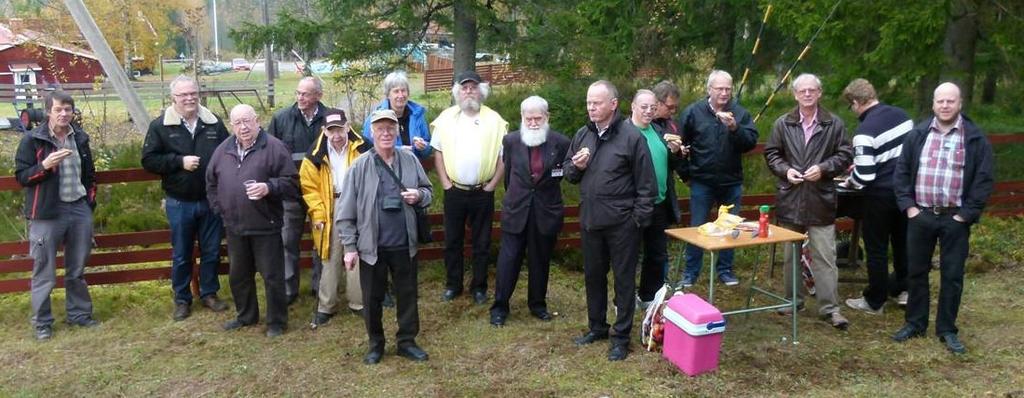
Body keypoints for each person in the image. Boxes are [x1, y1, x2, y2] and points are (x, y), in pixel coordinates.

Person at [891, 82, 993, 355]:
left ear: (960, 104)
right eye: (940, 101)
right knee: (915, 273)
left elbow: (983, 179)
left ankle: (947, 329)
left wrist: (966, 215)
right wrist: (909, 208)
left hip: (954, 219)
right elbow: (901, 173)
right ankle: (915, 323)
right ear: (933, 104)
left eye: (950, 101)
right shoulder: (918, 134)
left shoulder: (974, 137)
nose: (945, 106)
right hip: (921, 215)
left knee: (952, 275)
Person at [565, 80, 656, 361]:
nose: (591, 107)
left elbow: (647, 186)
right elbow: (568, 172)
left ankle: (620, 337)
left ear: (613, 104)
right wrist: (575, 167)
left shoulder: (631, 137)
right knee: (593, 276)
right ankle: (597, 327)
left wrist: (636, 221)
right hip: (591, 221)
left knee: (624, 281)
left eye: (597, 102)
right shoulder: (583, 134)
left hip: (622, 225)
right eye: (589, 102)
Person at [338, 109, 434, 365]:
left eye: (390, 128)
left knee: (407, 295)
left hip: (405, 244)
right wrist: (349, 246)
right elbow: (345, 210)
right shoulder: (359, 166)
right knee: (372, 299)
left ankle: (407, 342)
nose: (386, 133)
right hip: (372, 247)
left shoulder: (410, 160)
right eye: (380, 128)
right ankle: (375, 344)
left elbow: (428, 191)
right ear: (372, 132)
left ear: (398, 131)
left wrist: (419, 196)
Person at [764, 73, 853, 330]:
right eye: (802, 91)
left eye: (812, 90)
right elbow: (772, 153)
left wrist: (824, 168)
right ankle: (793, 301)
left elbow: (845, 154)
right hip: (791, 198)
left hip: (821, 199)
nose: (807, 94)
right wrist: (785, 170)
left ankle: (830, 308)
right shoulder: (783, 123)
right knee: (791, 256)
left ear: (819, 93)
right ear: (795, 94)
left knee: (825, 256)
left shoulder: (834, 124)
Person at [141, 75, 231, 321]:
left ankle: (209, 293)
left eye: (193, 93)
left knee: (212, 250)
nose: (190, 98)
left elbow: (228, 153)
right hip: (179, 201)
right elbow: (148, 160)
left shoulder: (213, 123)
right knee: (181, 253)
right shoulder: (160, 126)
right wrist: (179, 162)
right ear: (174, 98)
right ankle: (182, 299)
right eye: (183, 95)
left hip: (210, 200)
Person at [207, 104, 299, 338]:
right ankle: (246, 316)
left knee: (272, 276)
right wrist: (221, 210)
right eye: (237, 122)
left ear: (257, 120)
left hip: (265, 224)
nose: (243, 127)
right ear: (231, 125)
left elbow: (292, 183)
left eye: (247, 121)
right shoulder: (223, 150)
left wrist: (268, 187)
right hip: (235, 226)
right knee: (239, 275)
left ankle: (276, 322)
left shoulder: (274, 148)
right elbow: (211, 183)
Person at [15, 91, 99, 340]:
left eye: (68, 109)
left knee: (77, 268)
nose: (64, 114)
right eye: (59, 109)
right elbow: (22, 177)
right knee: (44, 270)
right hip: (47, 213)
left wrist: (89, 202)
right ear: (48, 112)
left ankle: (79, 315)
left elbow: (90, 174)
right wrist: (45, 166)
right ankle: (42, 323)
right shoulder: (33, 140)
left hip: (78, 208)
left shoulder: (80, 138)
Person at [488, 96, 570, 327]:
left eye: (538, 118)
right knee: (508, 260)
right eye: (528, 118)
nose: (533, 122)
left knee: (540, 260)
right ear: (522, 118)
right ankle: (499, 307)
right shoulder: (511, 141)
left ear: (546, 117)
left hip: (545, 211)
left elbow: (566, 174)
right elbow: (510, 176)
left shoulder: (561, 143)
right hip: (516, 210)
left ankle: (537, 305)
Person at [430, 70, 508, 304]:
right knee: (453, 240)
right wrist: (445, 183)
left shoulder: (494, 120)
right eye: (464, 87)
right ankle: (453, 285)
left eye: (473, 87)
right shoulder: (446, 118)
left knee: (482, 243)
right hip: (454, 191)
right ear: (457, 91)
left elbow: (503, 158)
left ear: (481, 90)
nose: (469, 91)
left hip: (482, 192)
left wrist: (492, 185)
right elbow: (438, 153)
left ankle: (479, 287)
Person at [838, 78, 914, 315]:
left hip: (879, 196)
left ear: (857, 102)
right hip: (906, 192)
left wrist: (850, 180)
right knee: (903, 243)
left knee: (877, 248)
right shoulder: (903, 117)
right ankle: (904, 289)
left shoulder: (864, 132)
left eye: (851, 106)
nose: (853, 111)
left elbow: (865, 177)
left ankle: (875, 300)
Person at [678, 70, 759, 287]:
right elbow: (679, 146)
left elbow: (750, 142)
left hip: (731, 181)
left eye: (728, 89)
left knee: (729, 227)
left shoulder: (740, 113)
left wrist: (734, 128)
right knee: (697, 227)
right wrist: (686, 174)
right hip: (701, 181)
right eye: (720, 89)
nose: (724, 93)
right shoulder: (693, 113)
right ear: (709, 90)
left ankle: (725, 270)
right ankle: (690, 272)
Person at [299, 109, 372, 329]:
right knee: (329, 255)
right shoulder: (315, 153)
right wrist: (318, 214)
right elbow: (308, 187)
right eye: (332, 130)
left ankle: (358, 303)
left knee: (357, 253)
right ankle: (325, 306)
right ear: (325, 131)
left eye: (340, 129)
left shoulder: (363, 147)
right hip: (330, 204)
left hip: (358, 203)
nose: (337, 135)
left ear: (347, 126)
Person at [268, 76, 328, 304]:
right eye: (298, 93)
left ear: (318, 96)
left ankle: (320, 287)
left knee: (322, 239)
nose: (300, 97)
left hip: (322, 193)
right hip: (290, 193)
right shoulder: (281, 118)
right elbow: (269, 153)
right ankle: (287, 291)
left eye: (305, 94)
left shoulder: (331, 118)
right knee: (287, 241)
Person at [631, 90, 686, 309]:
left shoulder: (658, 130)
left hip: (659, 203)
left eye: (653, 107)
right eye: (643, 107)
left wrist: (675, 152)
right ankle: (623, 299)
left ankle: (647, 296)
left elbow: (671, 165)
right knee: (629, 256)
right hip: (633, 205)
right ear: (633, 107)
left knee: (657, 254)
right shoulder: (625, 133)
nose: (648, 111)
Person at [362, 71, 432, 159]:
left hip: (413, 168)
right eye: (396, 91)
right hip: (385, 169)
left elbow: (428, 149)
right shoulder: (376, 118)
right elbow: (367, 149)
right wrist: (397, 151)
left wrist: (423, 147)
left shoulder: (417, 114)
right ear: (388, 95)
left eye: (403, 90)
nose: (401, 95)